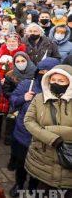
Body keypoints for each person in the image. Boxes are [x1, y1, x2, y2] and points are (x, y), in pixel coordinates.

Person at [8, 57, 59, 196]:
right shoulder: (27, 84)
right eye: (42, 71)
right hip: (22, 135)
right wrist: (23, 98)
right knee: (21, 163)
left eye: (48, 72)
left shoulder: (59, 90)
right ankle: (19, 184)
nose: (44, 74)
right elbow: (13, 100)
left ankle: (32, 187)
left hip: (43, 138)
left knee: (38, 167)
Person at [24, 64, 72, 194]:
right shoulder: (39, 98)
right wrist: (52, 138)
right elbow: (28, 121)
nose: (56, 83)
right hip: (42, 158)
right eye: (53, 80)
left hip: (68, 161)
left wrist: (49, 129)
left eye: (61, 81)